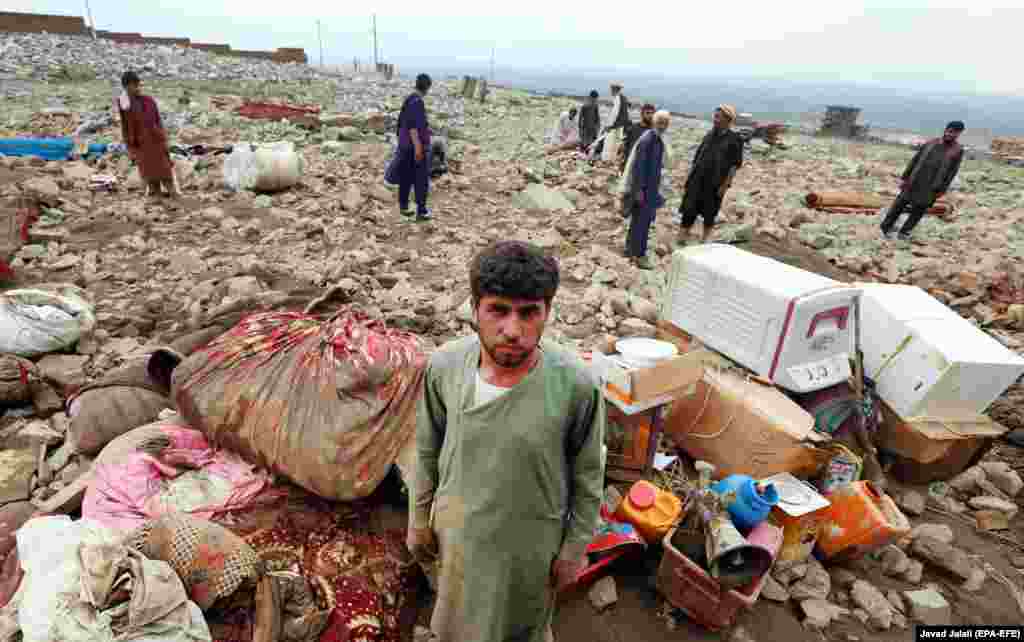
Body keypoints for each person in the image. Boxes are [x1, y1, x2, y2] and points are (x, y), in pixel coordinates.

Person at [408, 240, 606, 642]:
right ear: (475, 309)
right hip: (460, 535)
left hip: (531, 546)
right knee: (457, 622)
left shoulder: (575, 386)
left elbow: (588, 476)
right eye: (498, 310)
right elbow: (427, 449)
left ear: (547, 313)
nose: (512, 330)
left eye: (528, 312)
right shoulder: (445, 368)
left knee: (522, 626)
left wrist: (573, 550)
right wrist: (418, 518)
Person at [880, 121, 965, 241]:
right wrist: (905, 178)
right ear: (945, 130)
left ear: (959, 134)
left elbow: (952, 172)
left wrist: (942, 189)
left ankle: (904, 232)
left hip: (932, 186)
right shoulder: (931, 143)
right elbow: (915, 160)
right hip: (914, 180)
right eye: (949, 131)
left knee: (918, 211)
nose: (950, 134)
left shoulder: (957, 150)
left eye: (954, 133)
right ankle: (884, 228)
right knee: (898, 205)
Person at [677, 104, 744, 244]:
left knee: (710, 211)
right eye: (715, 116)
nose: (715, 120)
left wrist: (725, 186)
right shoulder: (709, 135)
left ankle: (704, 239)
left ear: (727, 119)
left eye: (718, 117)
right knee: (689, 208)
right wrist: (689, 177)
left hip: (716, 182)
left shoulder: (734, 139)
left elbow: (734, 165)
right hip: (697, 178)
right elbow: (697, 157)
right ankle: (682, 237)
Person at [621, 111, 671, 269]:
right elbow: (639, 166)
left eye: (665, 122)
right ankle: (638, 255)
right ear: (655, 122)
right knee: (641, 222)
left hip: (651, 187)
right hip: (643, 188)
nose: (663, 125)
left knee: (642, 221)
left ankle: (631, 251)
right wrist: (639, 190)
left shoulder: (657, 140)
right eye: (660, 122)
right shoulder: (648, 140)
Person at [118, 71, 177, 200]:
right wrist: (129, 145)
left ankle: (175, 197)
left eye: (137, 85)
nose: (136, 88)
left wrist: (164, 139)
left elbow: (157, 121)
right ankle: (158, 200)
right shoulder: (124, 104)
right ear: (126, 87)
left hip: (156, 141)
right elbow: (125, 125)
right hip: (140, 143)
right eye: (133, 86)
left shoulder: (148, 100)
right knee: (150, 176)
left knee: (166, 173)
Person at [395, 73, 434, 221]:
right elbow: (412, 127)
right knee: (421, 180)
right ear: (427, 88)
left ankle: (404, 206)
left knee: (406, 177)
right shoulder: (418, 102)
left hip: (405, 146)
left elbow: (400, 124)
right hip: (414, 148)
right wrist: (418, 147)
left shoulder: (409, 99)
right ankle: (421, 211)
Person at [619, 103, 656, 174]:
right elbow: (624, 147)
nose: (650, 116)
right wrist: (622, 164)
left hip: (644, 168)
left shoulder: (654, 132)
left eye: (652, 113)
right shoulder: (633, 128)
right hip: (629, 165)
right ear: (642, 114)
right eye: (648, 113)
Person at [600, 82, 630, 163]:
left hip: (615, 124)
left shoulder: (617, 98)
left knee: (609, 142)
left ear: (614, 89)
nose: (611, 91)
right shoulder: (624, 98)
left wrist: (609, 125)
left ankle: (606, 160)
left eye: (612, 89)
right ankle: (612, 160)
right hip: (621, 124)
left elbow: (614, 113)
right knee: (616, 143)